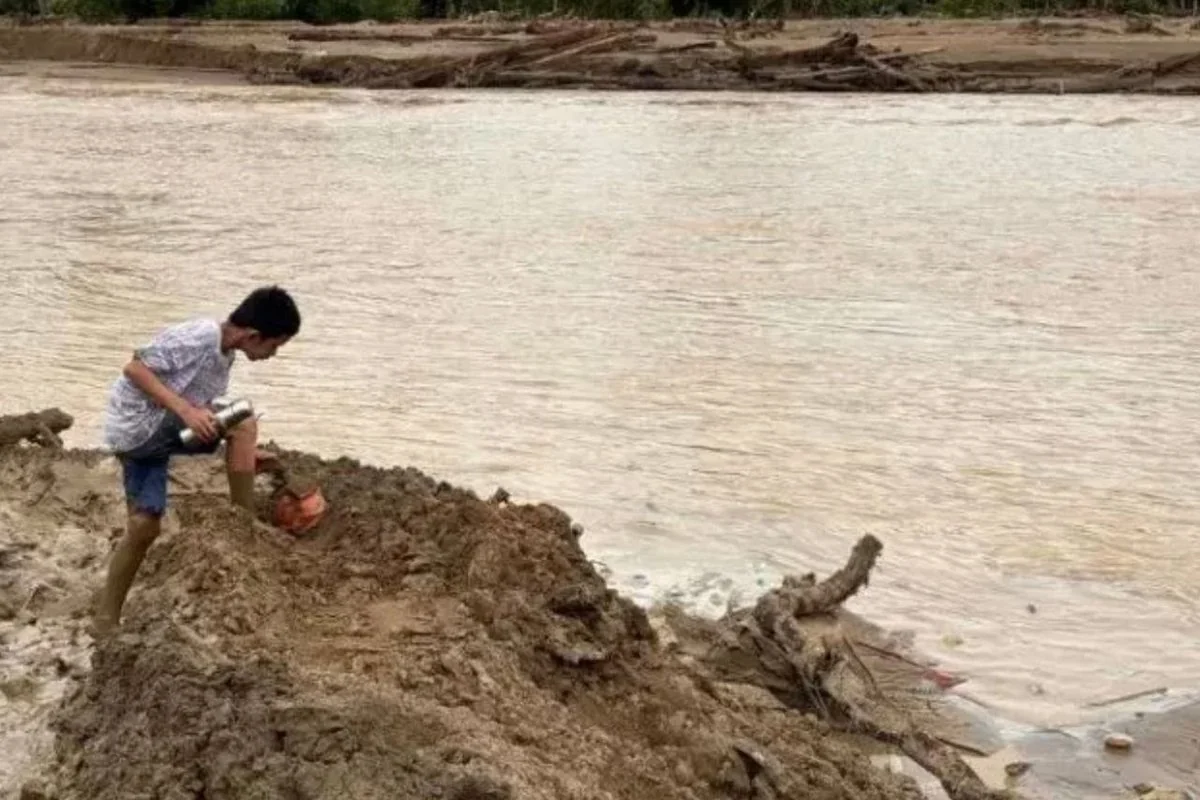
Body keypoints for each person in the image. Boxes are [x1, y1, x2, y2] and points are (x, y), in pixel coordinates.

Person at [92, 286, 301, 637]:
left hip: (145, 440)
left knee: (144, 526)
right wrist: (186, 410)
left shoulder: (224, 357)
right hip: (139, 426)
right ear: (254, 336)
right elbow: (135, 369)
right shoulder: (201, 335)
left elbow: (202, 417)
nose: (273, 355)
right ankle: (244, 527)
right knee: (243, 419)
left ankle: (104, 621)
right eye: (274, 346)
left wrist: (240, 449)